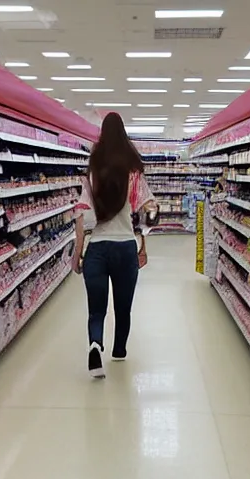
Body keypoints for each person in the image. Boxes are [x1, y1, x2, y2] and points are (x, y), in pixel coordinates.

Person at [73, 111, 158, 379]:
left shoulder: (93, 170)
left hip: (97, 247)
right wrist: (143, 243)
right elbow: (149, 212)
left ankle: (95, 344)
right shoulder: (133, 172)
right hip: (124, 248)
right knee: (123, 307)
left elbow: (81, 215)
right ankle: (119, 350)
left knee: (96, 309)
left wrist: (77, 254)